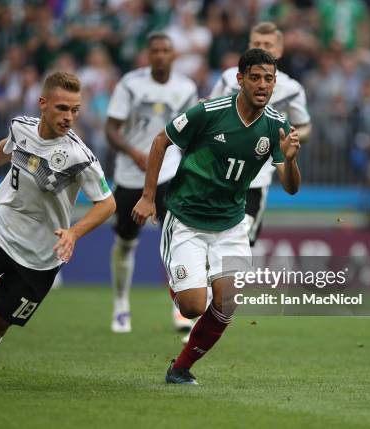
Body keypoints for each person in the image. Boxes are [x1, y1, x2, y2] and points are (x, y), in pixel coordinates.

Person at [0, 71, 116, 384]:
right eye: (62, 108)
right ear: (43, 104)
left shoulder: (79, 157)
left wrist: (73, 233)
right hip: (2, 232)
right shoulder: (20, 127)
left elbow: (107, 204)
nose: (69, 117)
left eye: (75, 110)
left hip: (41, 256)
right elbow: (8, 147)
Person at [132, 49, 301, 384]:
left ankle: (180, 368)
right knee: (193, 306)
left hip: (231, 224)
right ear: (240, 80)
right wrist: (148, 197)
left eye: (269, 78)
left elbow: (292, 187)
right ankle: (184, 283)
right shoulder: (210, 112)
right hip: (186, 220)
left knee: (227, 304)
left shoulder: (277, 126)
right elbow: (160, 140)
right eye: (255, 77)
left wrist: (292, 160)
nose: (263, 84)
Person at [106, 32, 198, 333]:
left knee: (178, 240)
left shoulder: (186, 88)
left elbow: (190, 132)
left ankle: (181, 310)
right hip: (130, 176)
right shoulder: (130, 84)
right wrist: (132, 152)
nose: (160, 55)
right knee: (126, 242)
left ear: (174, 55)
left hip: (168, 174)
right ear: (148, 54)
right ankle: (121, 303)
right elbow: (111, 129)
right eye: (155, 50)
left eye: (165, 50)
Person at [209, 22, 311, 247]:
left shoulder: (291, 89)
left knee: (236, 242)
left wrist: (288, 137)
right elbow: (210, 109)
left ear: (280, 50)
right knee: (211, 241)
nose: (262, 48)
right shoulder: (230, 78)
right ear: (248, 46)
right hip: (217, 172)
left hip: (255, 177)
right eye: (257, 43)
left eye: (268, 44)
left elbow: (305, 127)